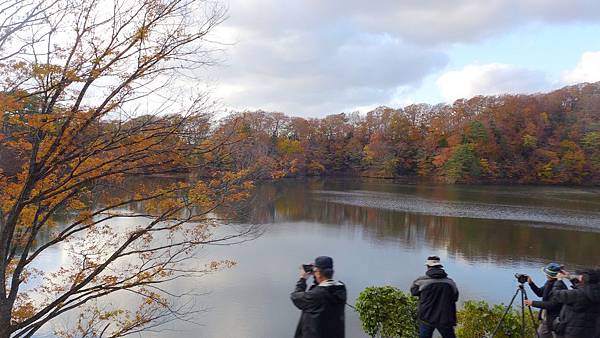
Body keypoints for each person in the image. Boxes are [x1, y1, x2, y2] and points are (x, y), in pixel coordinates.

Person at [291, 256, 347, 338]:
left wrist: (302, 279)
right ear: (332, 272)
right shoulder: (341, 289)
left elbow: (295, 297)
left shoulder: (316, 296)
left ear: (318, 273)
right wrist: (316, 272)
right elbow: (323, 287)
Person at [410, 256, 459, 338]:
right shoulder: (451, 283)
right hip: (445, 318)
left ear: (428, 267)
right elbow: (455, 298)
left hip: (426, 318)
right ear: (440, 267)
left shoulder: (421, 281)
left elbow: (413, 292)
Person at [550, 268, 600, 338]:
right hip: (590, 332)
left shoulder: (578, 294)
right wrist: (570, 278)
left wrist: (559, 280)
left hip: (571, 331)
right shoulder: (596, 292)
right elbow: (585, 289)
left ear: (583, 278)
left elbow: (557, 294)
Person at [523, 262, 567, 338]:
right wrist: (531, 283)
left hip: (554, 320)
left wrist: (533, 303)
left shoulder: (560, 286)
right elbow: (540, 293)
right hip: (547, 319)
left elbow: (552, 305)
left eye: (547, 274)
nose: (546, 275)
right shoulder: (549, 282)